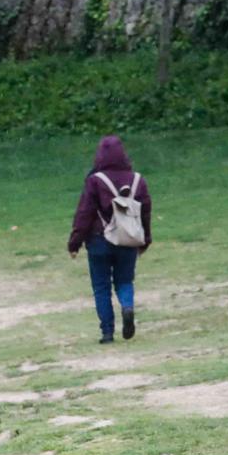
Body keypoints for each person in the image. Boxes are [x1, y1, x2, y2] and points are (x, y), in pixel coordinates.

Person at [67, 135, 152, 344]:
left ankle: (107, 332)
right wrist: (145, 239)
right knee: (124, 281)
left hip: (98, 240)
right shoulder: (137, 180)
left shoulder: (95, 180)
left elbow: (84, 213)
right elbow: (145, 212)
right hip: (128, 240)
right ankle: (127, 306)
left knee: (101, 286)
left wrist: (75, 242)